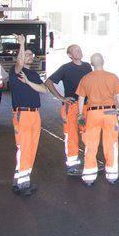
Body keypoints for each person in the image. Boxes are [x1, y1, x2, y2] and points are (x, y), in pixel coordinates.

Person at [76, 54, 119, 186]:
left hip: (92, 114)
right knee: (111, 143)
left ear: (91, 64)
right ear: (103, 61)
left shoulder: (86, 79)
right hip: (110, 113)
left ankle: (89, 177)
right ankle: (112, 175)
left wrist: (80, 114)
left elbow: (81, 99)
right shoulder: (112, 77)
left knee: (91, 144)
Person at [7, 34, 47, 196]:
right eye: (27, 54)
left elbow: (43, 89)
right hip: (22, 114)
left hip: (35, 114)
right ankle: (24, 184)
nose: (30, 57)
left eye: (31, 55)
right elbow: (19, 62)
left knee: (30, 148)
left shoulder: (33, 75)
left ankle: (20, 180)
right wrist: (22, 44)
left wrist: (29, 83)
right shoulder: (15, 71)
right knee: (24, 148)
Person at [45, 45, 92, 176]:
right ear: (70, 55)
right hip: (71, 106)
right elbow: (48, 82)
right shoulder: (65, 68)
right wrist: (61, 97)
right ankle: (72, 165)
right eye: (76, 50)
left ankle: (90, 162)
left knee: (88, 134)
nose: (79, 51)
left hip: (86, 106)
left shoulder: (87, 66)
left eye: (80, 48)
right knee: (71, 135)